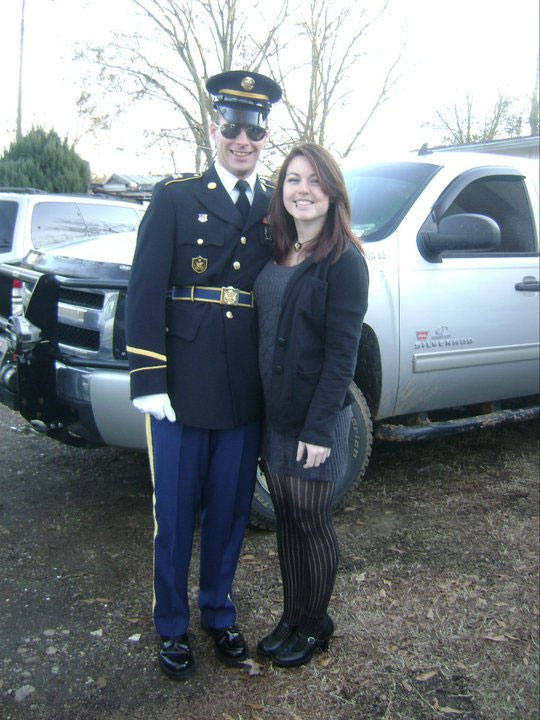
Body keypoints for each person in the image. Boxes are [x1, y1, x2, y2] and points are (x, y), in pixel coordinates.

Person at [125, 70, 282, 680]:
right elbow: (145, 291)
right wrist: (148, 378)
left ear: (266, 134)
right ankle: (171, 624)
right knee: (176, 511)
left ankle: (218, 612)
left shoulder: (275, 204)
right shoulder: (175, 197)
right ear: (214, 126)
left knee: (230, 510)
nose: (243, 139)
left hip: (244, 384)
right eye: (233, 126)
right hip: (180, 384)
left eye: (256, 128)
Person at [253, 143, 369, 667]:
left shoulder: (344, 263)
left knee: (311, 520)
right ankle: (291, 615)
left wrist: (320, 431)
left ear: (333, 192)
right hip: (273, 414)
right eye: (294, 179)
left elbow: (344, 357)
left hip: (312, 419)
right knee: (285, 518)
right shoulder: (276, 249)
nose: (303, 190)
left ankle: (316, 621)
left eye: (315, 181)